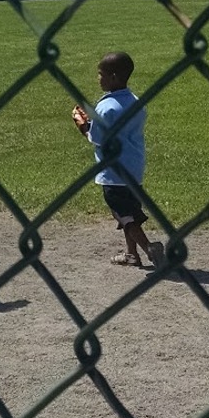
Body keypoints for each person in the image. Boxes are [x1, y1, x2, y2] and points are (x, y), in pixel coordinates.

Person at [72, 51, 163, 269]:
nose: (98, 78)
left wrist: (82, 124)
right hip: (134, 166)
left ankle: (149, 248)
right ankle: (132, 254)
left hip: (113, 172)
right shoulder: (136, 101)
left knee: (123, 215)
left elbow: (97, 138)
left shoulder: (107, 106)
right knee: (129, 212)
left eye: (100, 74)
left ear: (113, 77)